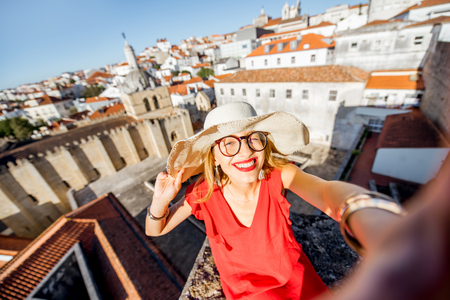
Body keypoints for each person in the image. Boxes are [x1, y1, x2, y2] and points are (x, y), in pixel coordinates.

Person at [146, 102, 404, 300]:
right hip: (247, 291)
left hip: (295, 277)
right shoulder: (203, 192)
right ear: (214, 157)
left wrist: (364, 210)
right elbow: (155, 229)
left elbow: (324, 191)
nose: (245, 151)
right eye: (229, 144)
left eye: (252, 138)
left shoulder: (279, 175)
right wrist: (161, 200)